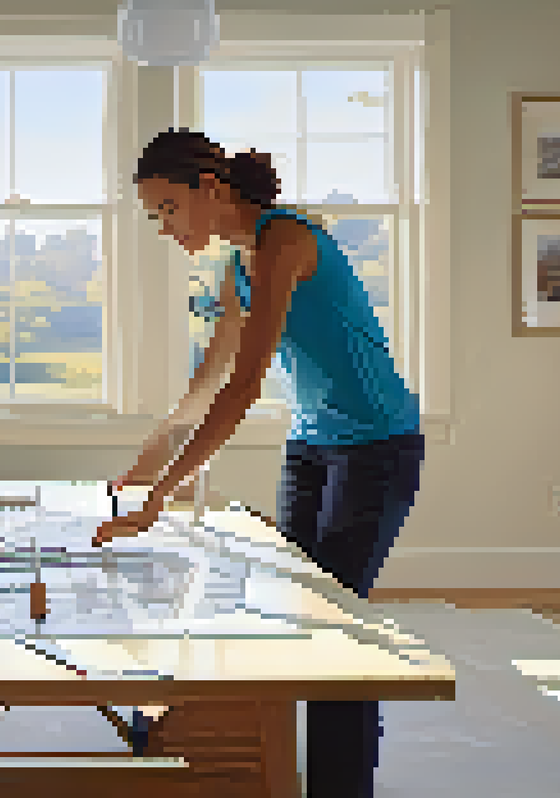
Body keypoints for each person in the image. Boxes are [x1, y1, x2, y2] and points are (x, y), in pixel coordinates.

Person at [97, 128, 425, 798]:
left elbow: (245, 387)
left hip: (377, 449)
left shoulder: (283, 241)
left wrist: (163, 493)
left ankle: (342, 786)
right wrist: (151, 456)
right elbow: (210, 375)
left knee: (334, 619)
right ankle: (262, 764)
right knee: (290, 613)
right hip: (310, 445)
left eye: (167, 208)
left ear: (209, 189)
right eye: (153, 214)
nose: (163, 227)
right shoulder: (237, 264)